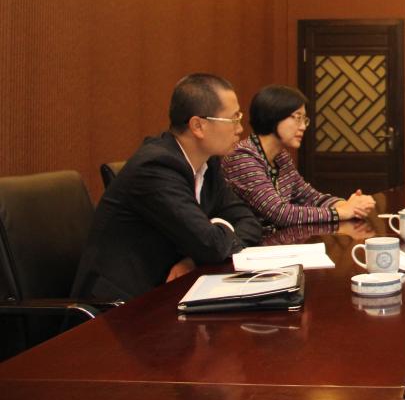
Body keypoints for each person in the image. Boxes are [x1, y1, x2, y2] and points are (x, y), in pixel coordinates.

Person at [72, 74, 263, 302]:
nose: (240, 129)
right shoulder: (156, 167)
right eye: (233, 119)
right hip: (118, 306)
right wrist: (216, 233)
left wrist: (195, 258)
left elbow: (250, 224)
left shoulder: (209, 163)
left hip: (168, 292)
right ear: (198, 126)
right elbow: (211, 245)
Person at [222, 85, 376, 226]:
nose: (303, 126)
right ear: (273, 115)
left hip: (278, 242)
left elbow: (309, 197)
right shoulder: (242, 157)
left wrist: (349, 205)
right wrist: (342, 212)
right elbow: (280, 213)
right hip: (251, 245)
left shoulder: (281, 157)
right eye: (297, 118)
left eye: (304, 120)